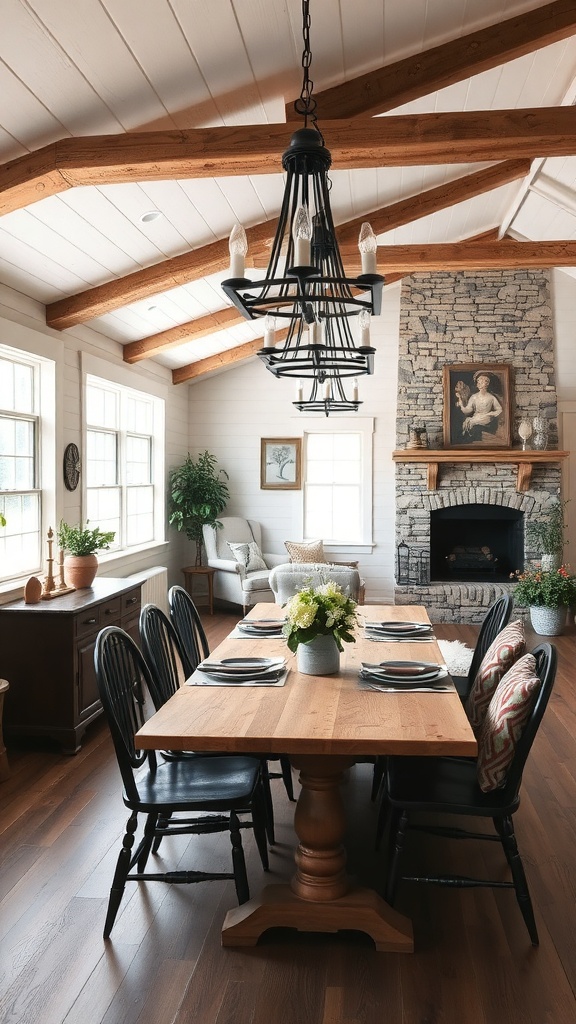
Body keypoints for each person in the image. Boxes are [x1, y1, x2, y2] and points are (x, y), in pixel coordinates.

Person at [454, 370, 503, 442]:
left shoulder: (491, 397)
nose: (479, 383)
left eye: (482, 381)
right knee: (469, 426)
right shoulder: (474, 397)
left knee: (475, 428)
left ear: (487, 383)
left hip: (486, 420)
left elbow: (500, 409)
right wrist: (460, 401)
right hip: (476, 418)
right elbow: (467, 411)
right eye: (478, 381)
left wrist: (490, 414)